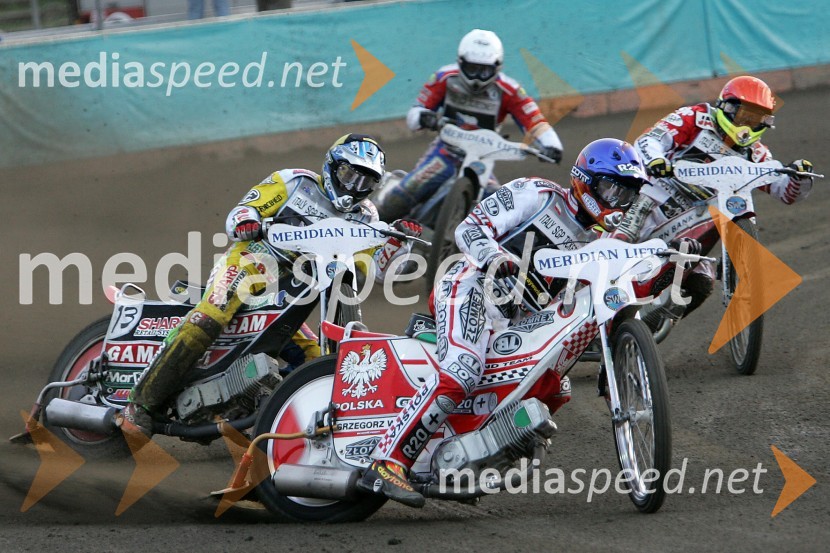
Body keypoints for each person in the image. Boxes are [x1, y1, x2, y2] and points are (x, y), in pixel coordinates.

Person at [357, 138, 650, 507]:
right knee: (462, 370)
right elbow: (469, 230)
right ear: (585, 179)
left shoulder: (598, 243)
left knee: (554, 386)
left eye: (626, 195)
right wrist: (497, 258)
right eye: (611, 189)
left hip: (511, 318)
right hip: (469, 285)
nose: (618, 202)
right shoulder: (536, 193)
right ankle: (386, 463)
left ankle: (468, 463)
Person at [121, 134, 422, 435]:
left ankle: (269, 420)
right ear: (332, 165)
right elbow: (241, 212)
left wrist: (396, 242)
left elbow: (373, 269)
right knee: (209, 317)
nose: (353, 186)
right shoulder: (295, 182)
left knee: (313, 360)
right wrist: (248, 222)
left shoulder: (366, 216)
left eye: (365, 181)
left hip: (295, 289)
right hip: (254, 262)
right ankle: (140, 403)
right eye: (348, 174)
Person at [612, 75, 814, 318]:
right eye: (744, 115)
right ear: (727, 107)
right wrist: (656, 160)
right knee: (619, 243)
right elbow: (650, 139)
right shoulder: (695, 117)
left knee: (703, 281)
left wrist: (799, 176)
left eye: (756, 119)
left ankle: (649, 328)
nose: (747, 125)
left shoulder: (756, 152)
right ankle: (592, 287)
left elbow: (784, 191)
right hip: (658, 195)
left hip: (697, 218)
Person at [375, 29, 564, 222]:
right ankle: (374, 225)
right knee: (406, 192)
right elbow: (416, 113)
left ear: (497, 67)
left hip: (482, 158)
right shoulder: (444, 78)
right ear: (461, 62)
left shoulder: (510, 90)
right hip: (446, 152)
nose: (476, 78)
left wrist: (552, 146)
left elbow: (534, 120)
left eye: (484, 71)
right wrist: (426, 118)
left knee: (499, 209)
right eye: (472, 69)